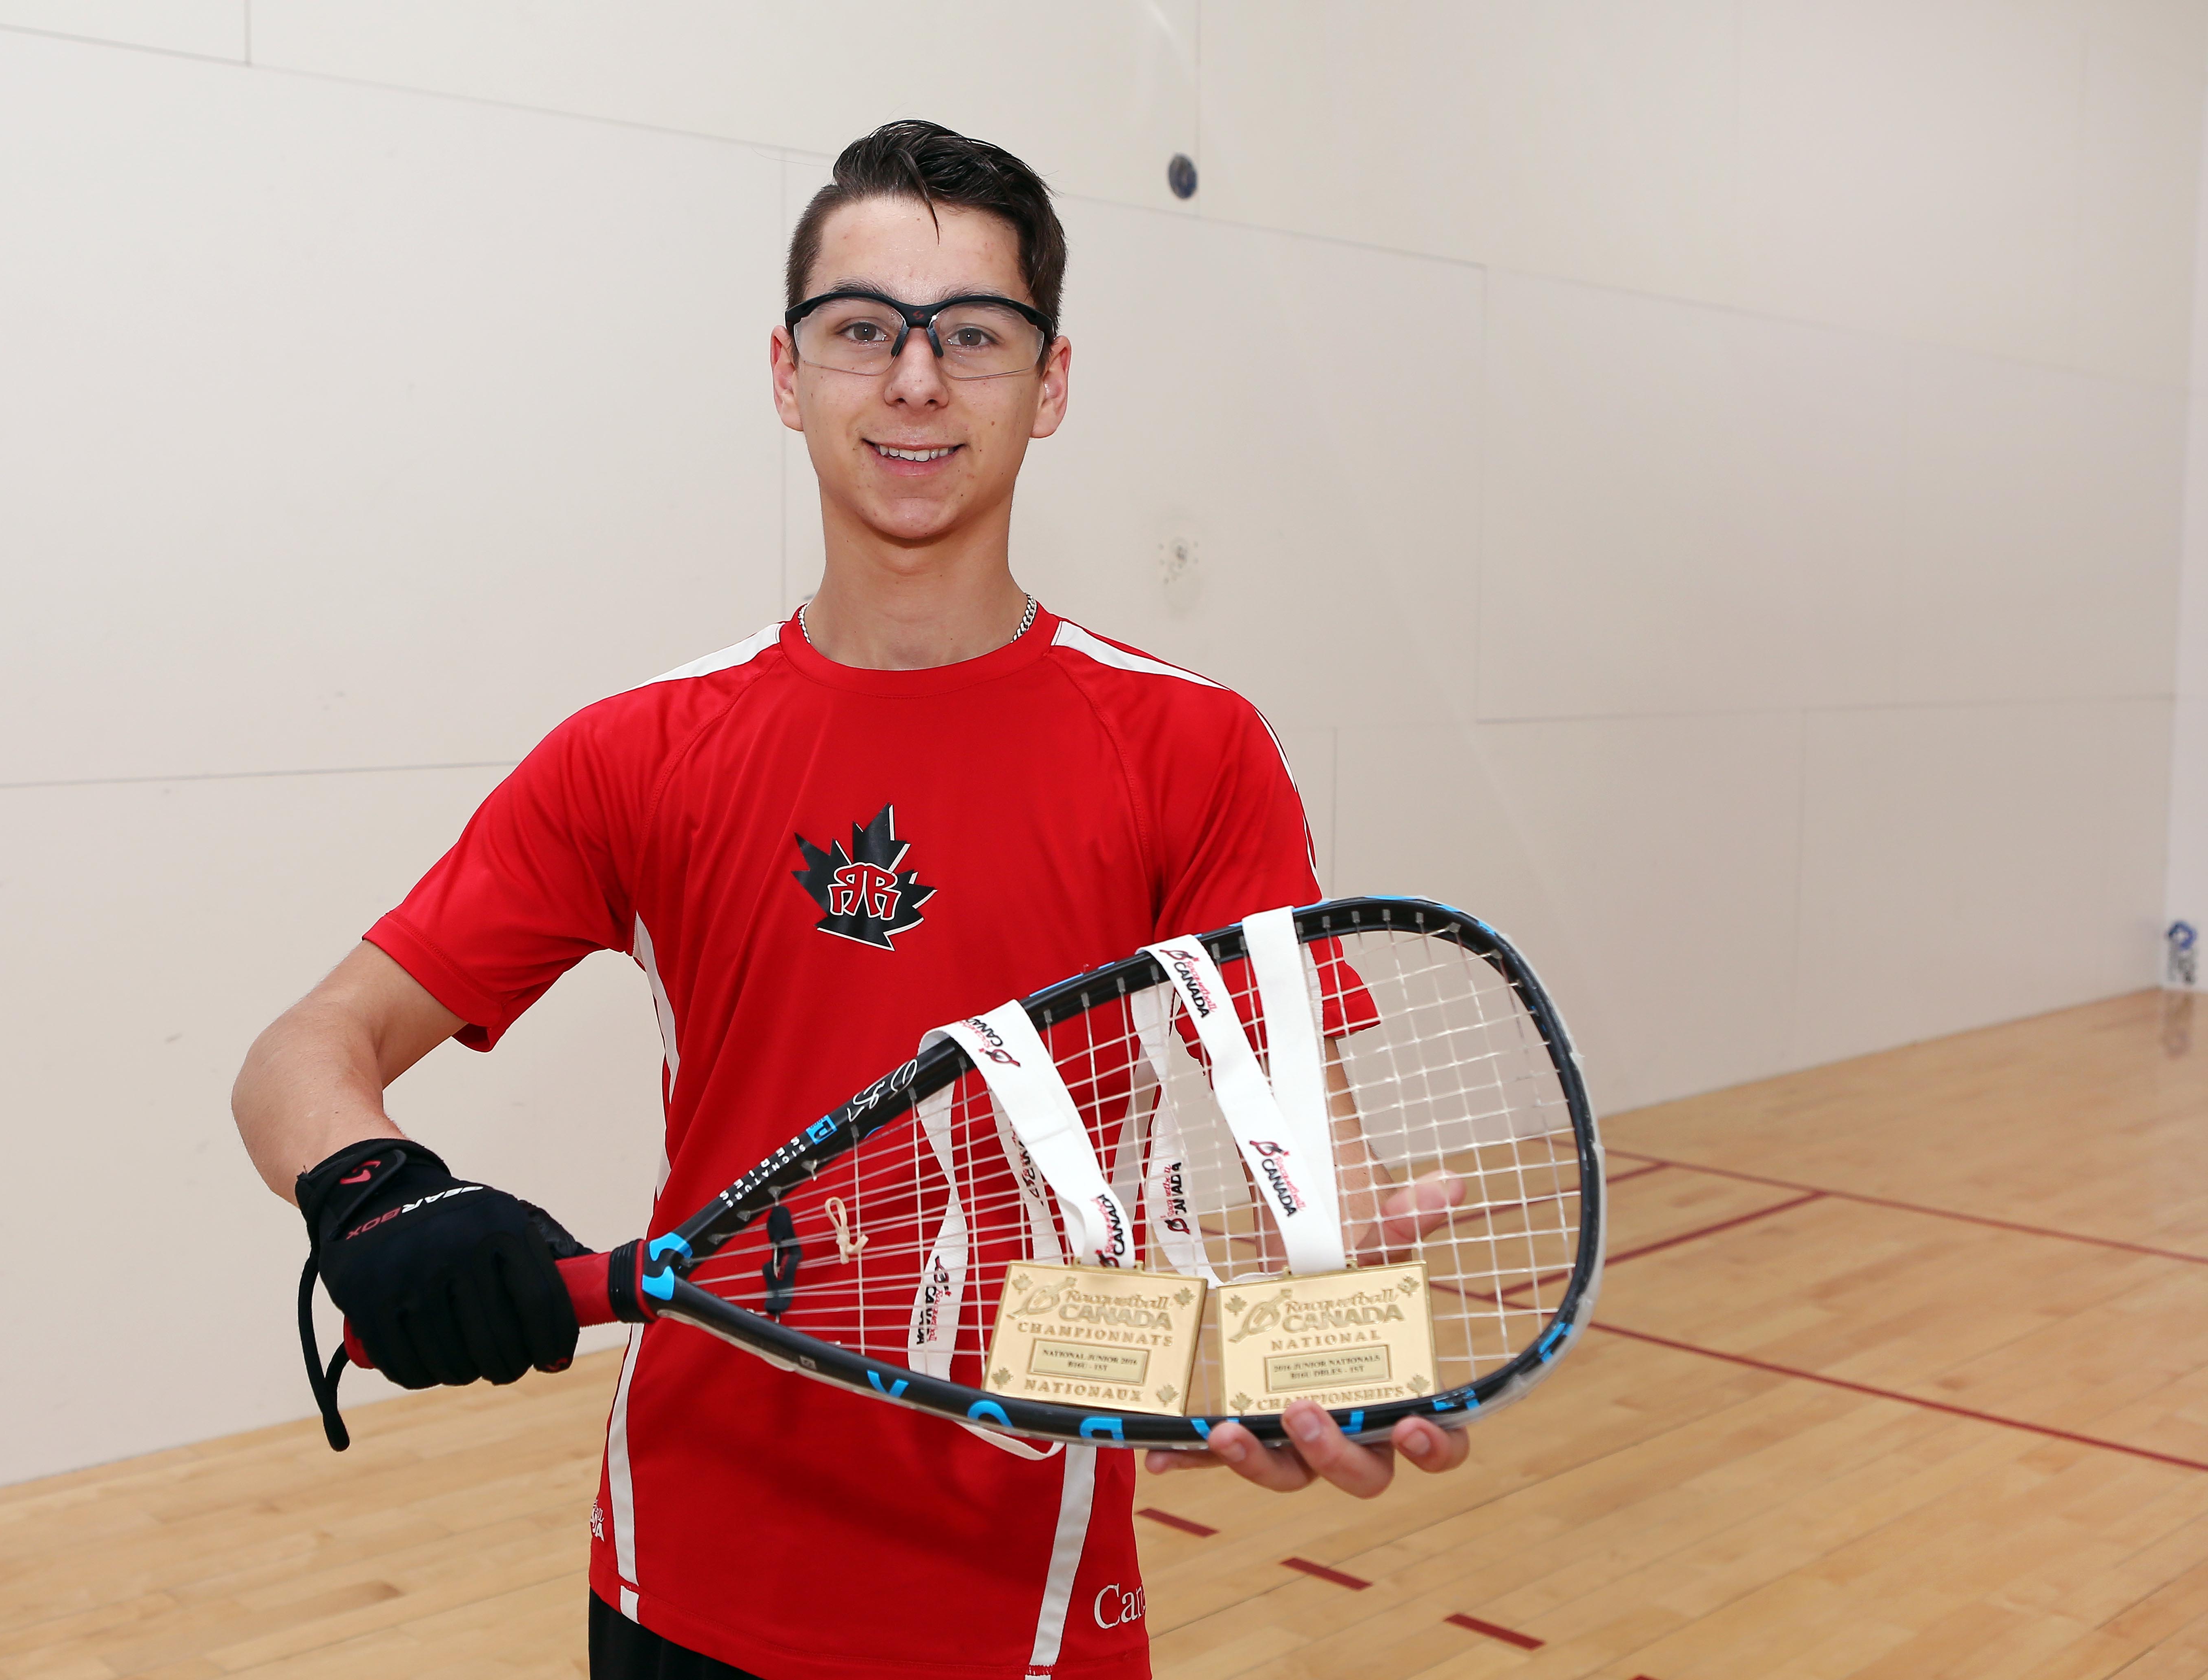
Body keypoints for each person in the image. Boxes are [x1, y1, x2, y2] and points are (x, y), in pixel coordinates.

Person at [233, 119, 1468, 1680]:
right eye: (863, 329)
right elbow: (302, 1051)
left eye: (976, 333)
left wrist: (1332, 1341)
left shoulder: (1190, 748)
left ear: (1053, 380)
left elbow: (1314, 1160)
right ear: (786, 370)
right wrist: (376, 1193)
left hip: (1031, 1618)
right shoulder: (640, 752)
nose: (915, 379)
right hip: (679, 1580)